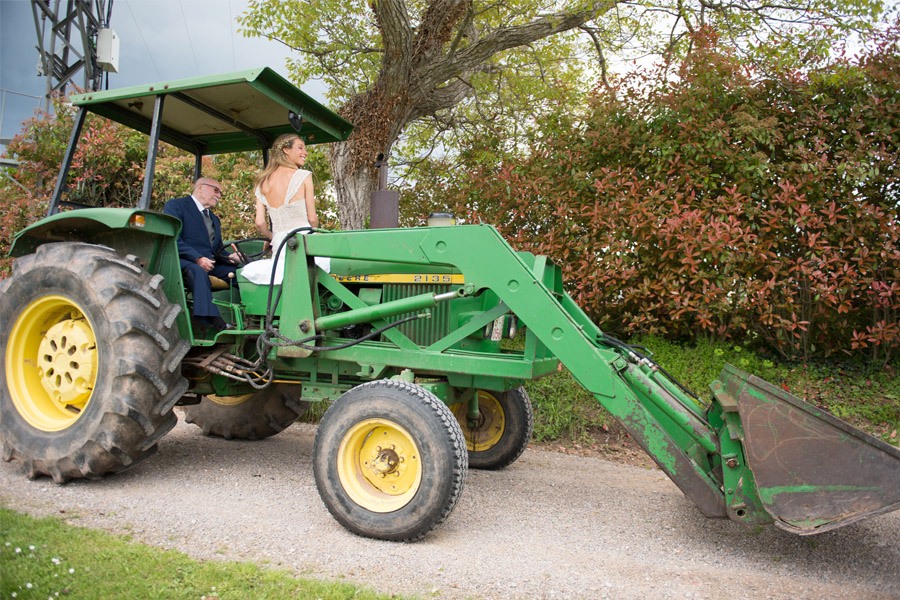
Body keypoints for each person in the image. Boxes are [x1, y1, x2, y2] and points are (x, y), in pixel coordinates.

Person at [240, 133, 328, 285]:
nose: (305, 152)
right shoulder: (303, 176)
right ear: (286, 150)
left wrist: (273, 237)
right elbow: (312, 218)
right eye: (300, 147)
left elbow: (260, 222)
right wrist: (315, 233)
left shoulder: (262, 182)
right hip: (302, 239)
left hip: (280, 243)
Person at [163, 177, 239, 333]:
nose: (219, 195)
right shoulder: (176, 206)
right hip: (181, 260)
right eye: (216, 190)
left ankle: (255, 317)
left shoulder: (214, 219)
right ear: (200, 188)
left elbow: (216, 249)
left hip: (210, 263)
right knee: (197, 271)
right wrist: (197, 258)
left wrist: (231, 257)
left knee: (242, 273)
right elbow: (173, 239)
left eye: (221, 193)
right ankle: (213, 321)